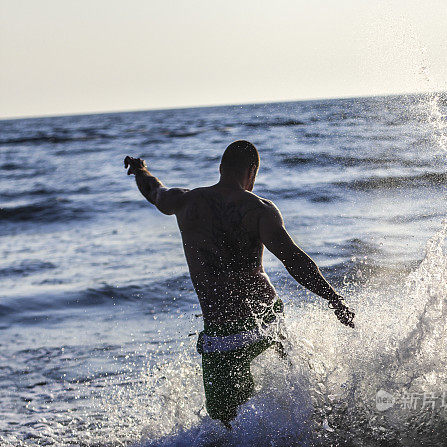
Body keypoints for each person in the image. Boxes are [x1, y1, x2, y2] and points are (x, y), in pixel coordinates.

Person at [124, 140, 355, 427]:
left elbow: (154, 191)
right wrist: (333, 297)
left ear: (220, 169)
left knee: (226, 426)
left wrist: (140, 169)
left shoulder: (184, 202)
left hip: (221, 332)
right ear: (252, 173)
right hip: (264, 320)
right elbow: (294, 260)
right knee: (296, 407)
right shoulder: (259, 209)